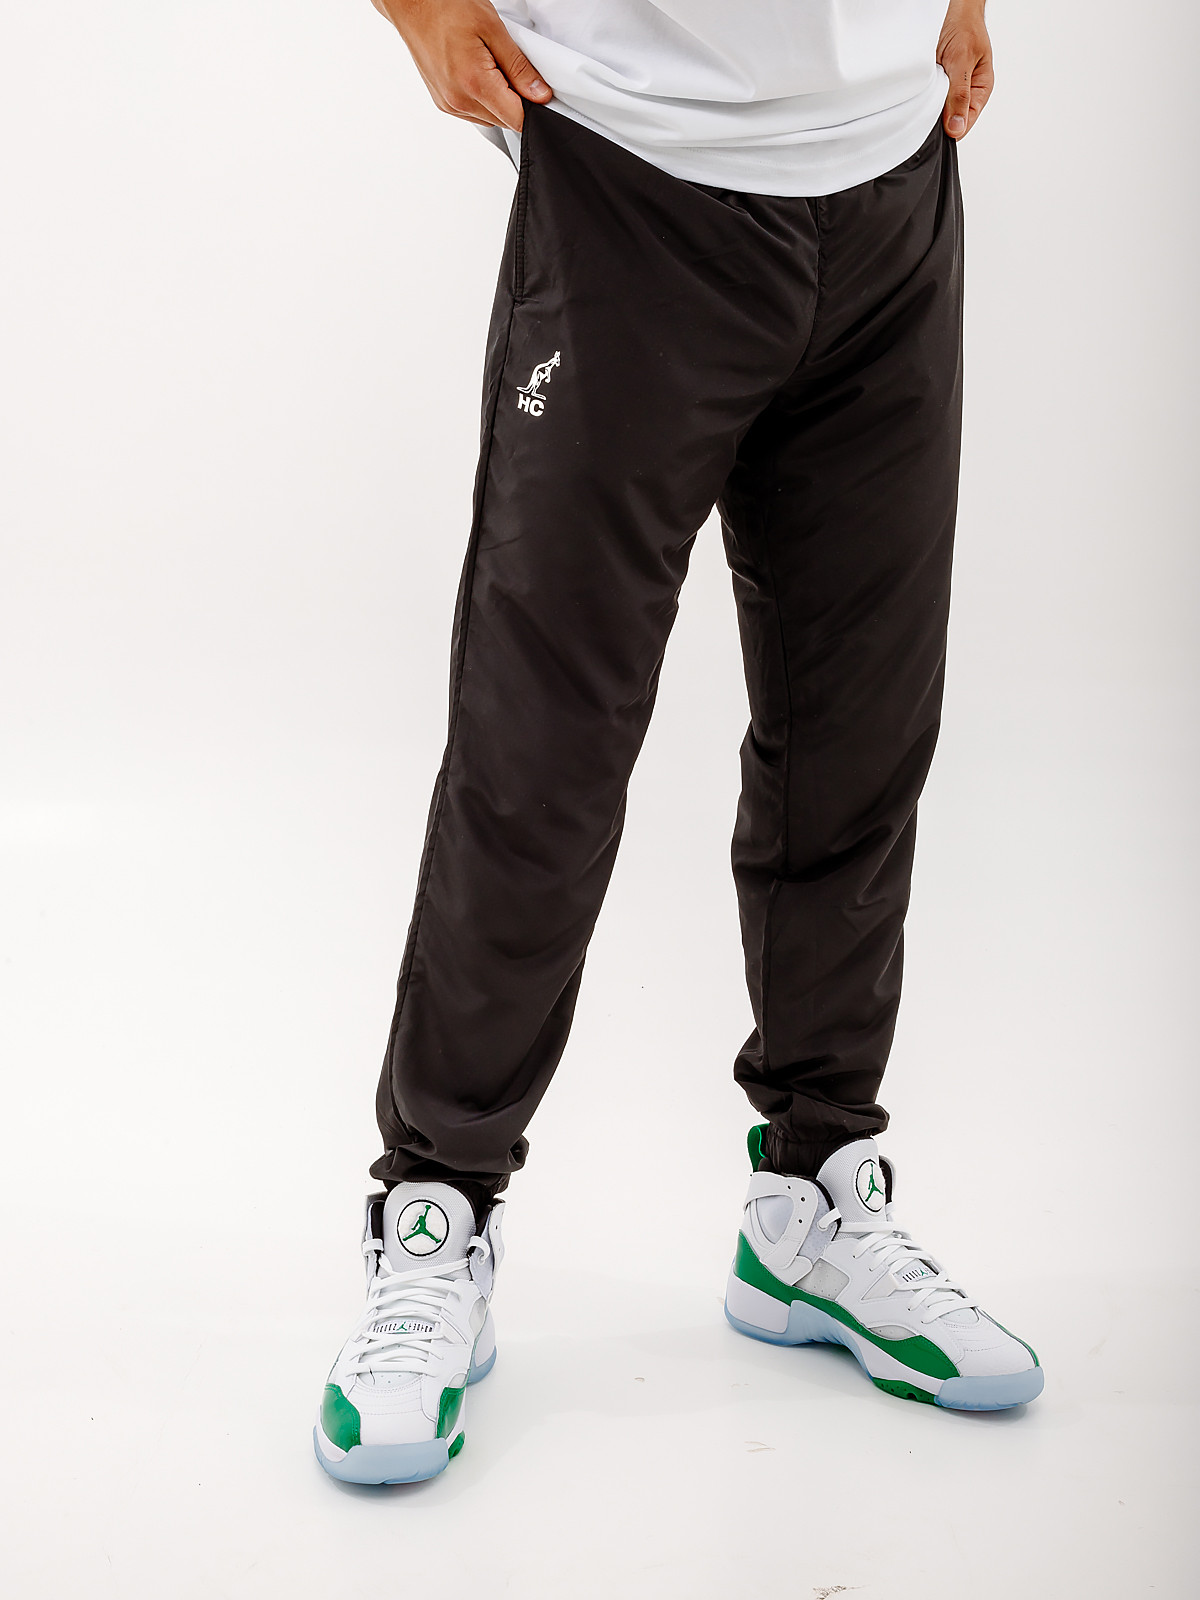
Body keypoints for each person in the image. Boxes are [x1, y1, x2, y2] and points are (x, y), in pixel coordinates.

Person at [313, 0, 1043, 1488]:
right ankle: (438, 1209)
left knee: (861, 725)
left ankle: (810, 1199)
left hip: (892, 180)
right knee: (544, 746)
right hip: (634, 176)